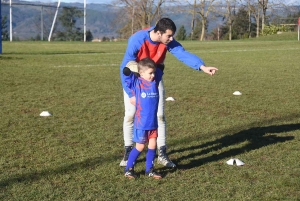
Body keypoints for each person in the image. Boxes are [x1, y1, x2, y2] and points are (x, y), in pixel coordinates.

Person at [119, 18, 218, 168]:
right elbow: (125, 67)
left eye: (172, 36)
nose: (171, 39)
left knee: (159, 116)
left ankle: (162, 153)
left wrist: (202, 67)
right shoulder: (137, 39)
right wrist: (131, 93)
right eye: (169, 36)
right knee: (130, 115)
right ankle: (128, 150)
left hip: (154, 79)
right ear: (158, 33)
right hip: (136, 82)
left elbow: (182, 53)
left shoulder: (167, 42)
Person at [123, 57, 164, 179]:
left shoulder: (155, 82)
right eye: (150, 73)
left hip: (152, 123)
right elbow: (127, 77)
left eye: (153, 73)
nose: (152, 75)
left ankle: (149, 170)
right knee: (140, 147)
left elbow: (160, 71)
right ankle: (128, 169)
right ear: (141, 73)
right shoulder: (138, 83)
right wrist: (128, 71)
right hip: (141, 123)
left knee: (152, 145)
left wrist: (160, 68)